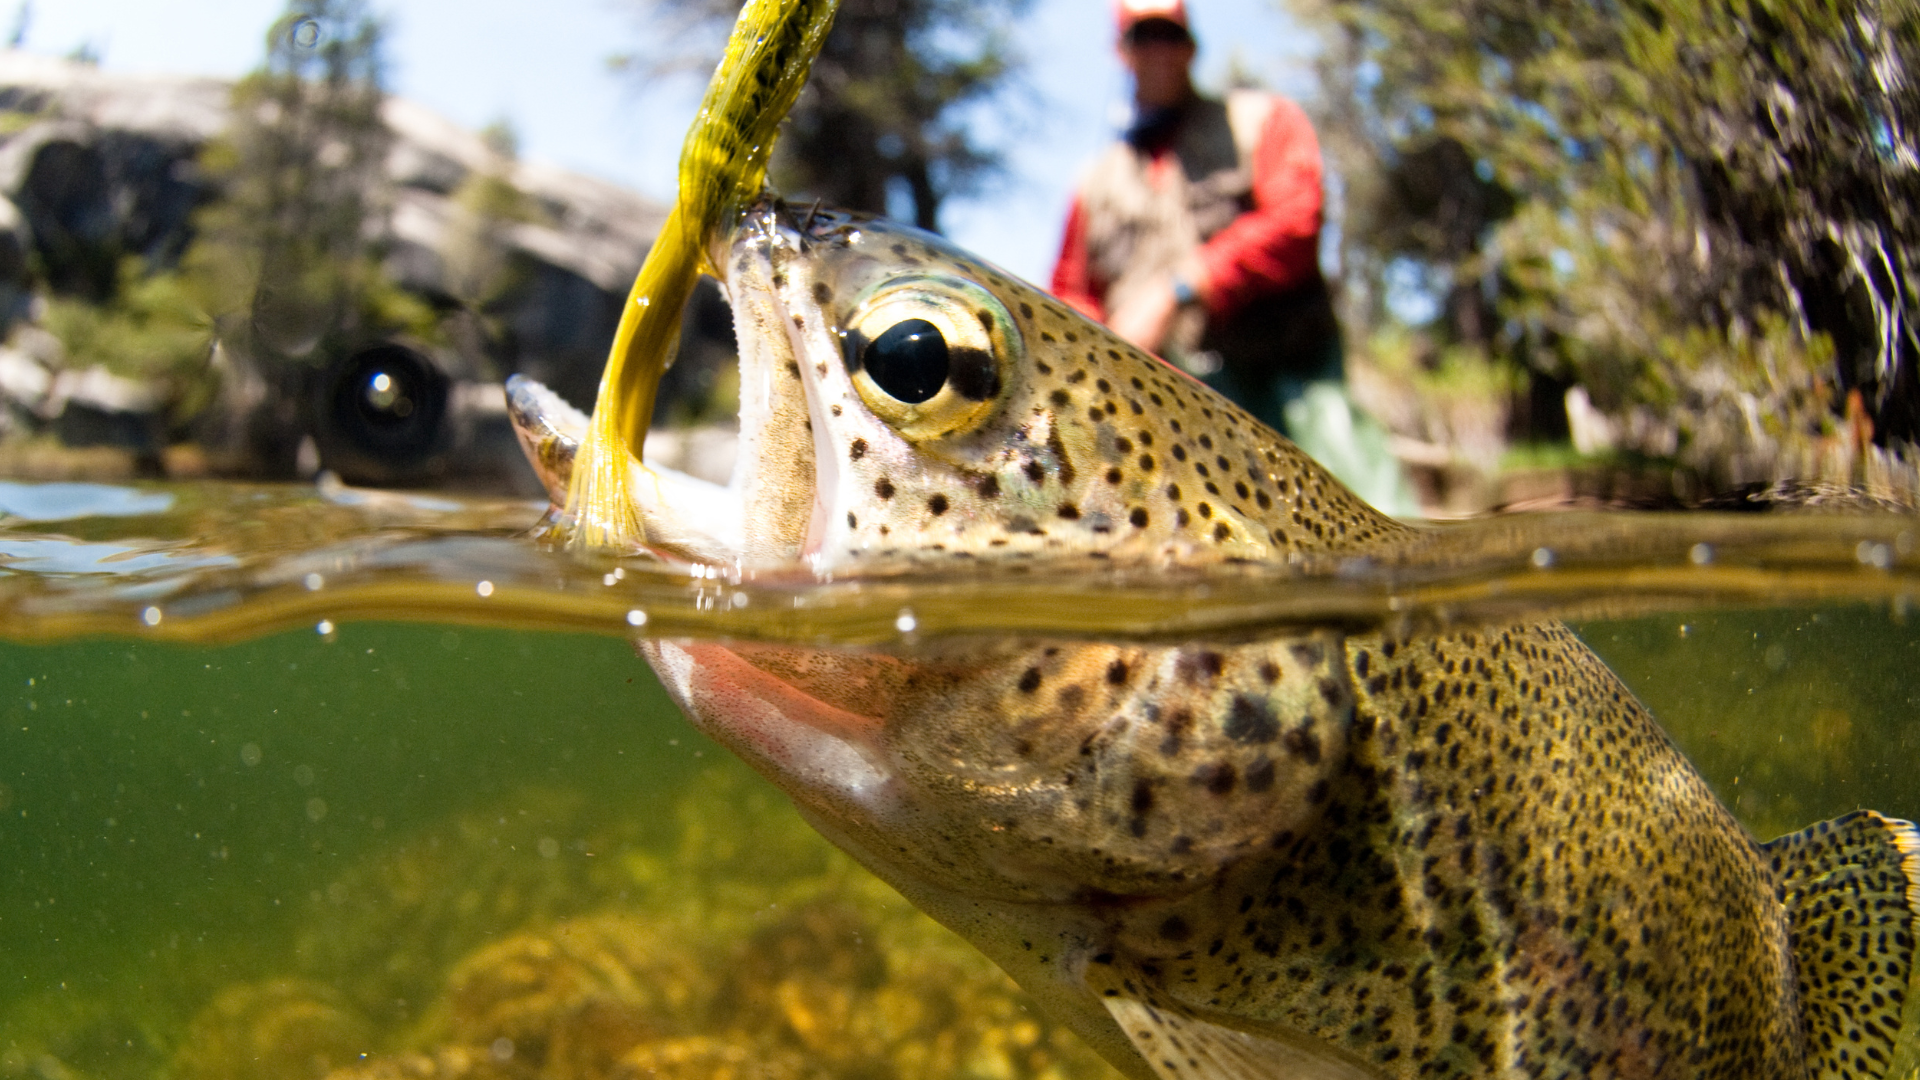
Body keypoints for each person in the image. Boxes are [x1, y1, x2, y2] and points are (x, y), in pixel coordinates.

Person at [1049, 0, 1343, 438]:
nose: (1159, 51)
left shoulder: (1262, 121)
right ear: (1121, 52)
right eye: (1143, 37)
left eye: (1170, 36)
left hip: (1283, 392)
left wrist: (1181, 286)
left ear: (1192, 47)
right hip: (1156, 421)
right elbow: (1070, 293)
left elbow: (1297, 223)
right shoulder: (1093, 183)